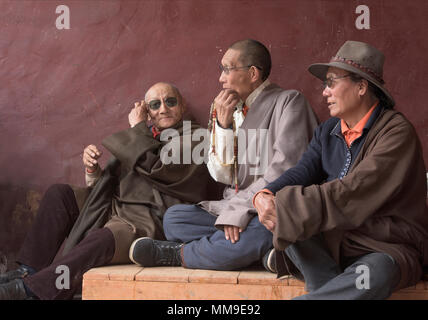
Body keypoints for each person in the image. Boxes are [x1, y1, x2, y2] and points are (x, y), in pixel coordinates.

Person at [0, 82, 213, 300]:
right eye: (155, 104)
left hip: (147, 219)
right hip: (113, 206)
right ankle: (29, 271)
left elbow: (158, 168)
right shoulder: (143, 135)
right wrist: (92, 169)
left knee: (103, 239)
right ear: (148, 111)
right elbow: (110, 182)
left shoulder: (195, 136)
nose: (163, 109)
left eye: (170, 101)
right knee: (60, 195)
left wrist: (137, 128)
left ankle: (31, 290)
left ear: (183, 104)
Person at [253, 40, 428, 300]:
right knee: (287, 223)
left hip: (383, 245)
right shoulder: (328, 131)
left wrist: (288, 204)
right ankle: (335, 290)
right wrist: (264, 194)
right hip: (337, 240)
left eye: (332, 82)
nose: (325, 92)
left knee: (374, 274)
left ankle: (328, 289)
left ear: (361, 86)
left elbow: (355, 189)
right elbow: (301, 172)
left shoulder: (396, 132)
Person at [129, 39, 319, 271]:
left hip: (271, 205)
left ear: (252, 73)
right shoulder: (230, 109)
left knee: (265, 227)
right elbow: (223, 176)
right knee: (175, 219)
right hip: (234, 204)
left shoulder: (289, 101)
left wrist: (240, 210)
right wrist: (223, 125)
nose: (221, 78)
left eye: (227, 69)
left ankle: (178, 254)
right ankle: (264, 253)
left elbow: (286, 169)